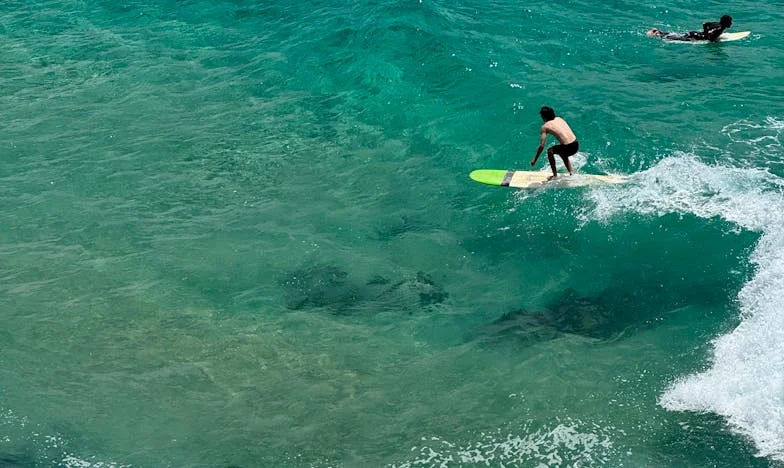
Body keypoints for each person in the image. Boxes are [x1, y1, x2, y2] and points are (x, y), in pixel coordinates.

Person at [530, 106, 578, 180]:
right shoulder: (559, 118)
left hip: (568, 147)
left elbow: (542, 145)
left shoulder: (545, 127)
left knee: (550, 151)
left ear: (544, 117)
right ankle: (571, 173)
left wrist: (535, 159)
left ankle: (554, 175)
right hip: (576, 144)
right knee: (563, 152)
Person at [647, 15, 732, 42]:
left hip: (695, 33)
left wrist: (705, 32)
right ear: (726, 22)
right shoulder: (720, 28)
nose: (731, 23)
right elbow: (710, 33)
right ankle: (657, 34)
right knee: (678, 38)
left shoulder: (716, 23)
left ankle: (658, 31)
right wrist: (710, 40)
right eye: (730, 22)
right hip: (696, 37)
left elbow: (705, 23)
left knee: (679, 36)